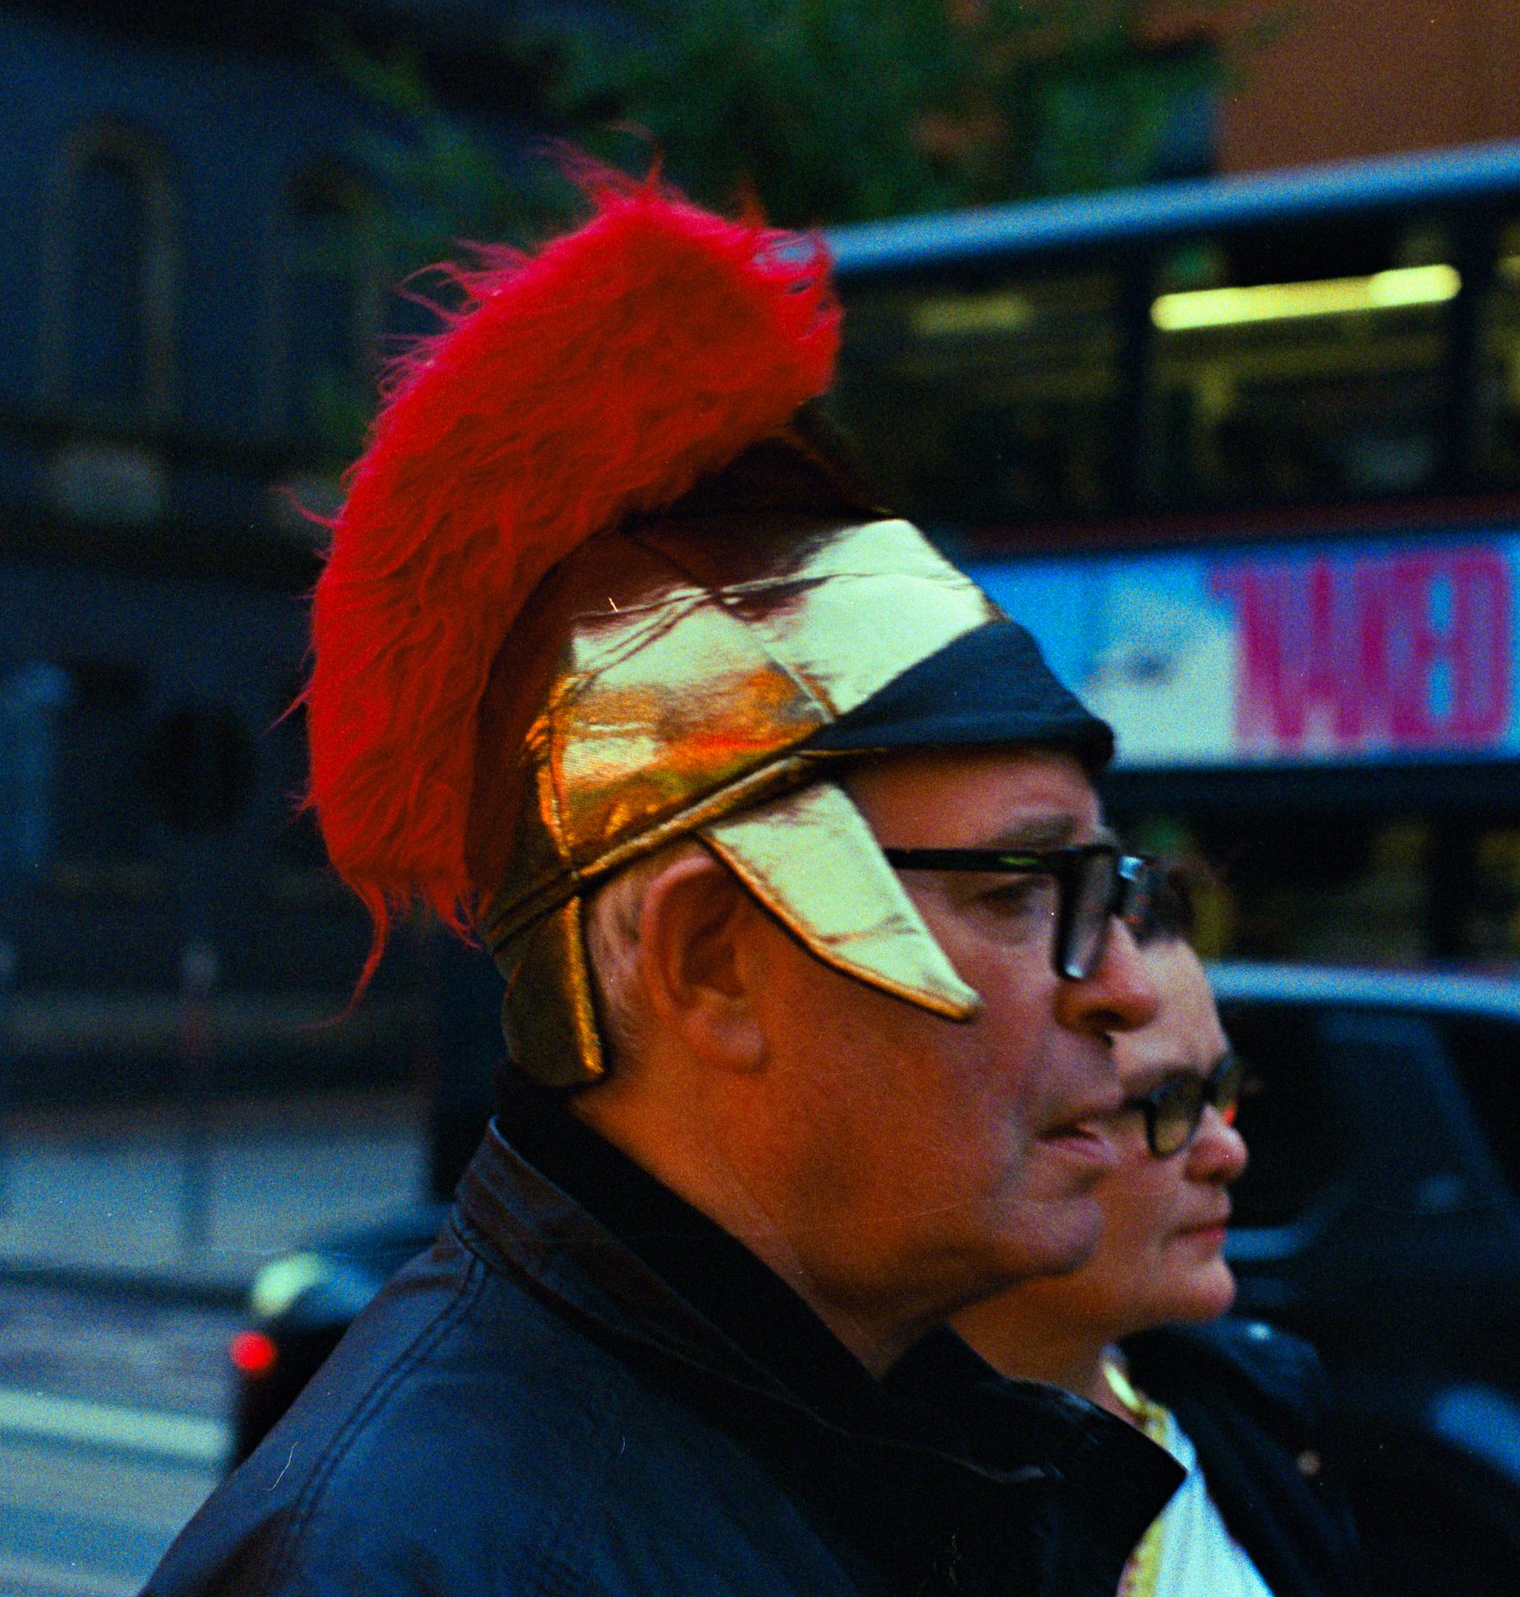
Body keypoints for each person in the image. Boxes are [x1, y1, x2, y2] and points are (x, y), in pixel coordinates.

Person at [144, 180, 1184, 1596]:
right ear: (709, 959)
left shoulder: (913, 1459)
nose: (1124, 987)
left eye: (1110, 888)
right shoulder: (391, 1568)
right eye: (1022, 884)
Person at [955, 862, 1367, 1597]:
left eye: (1223, 1091)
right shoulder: (840, 1499)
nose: (1228, 1152)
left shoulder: (1255, 1406)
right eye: (1163, 1100)